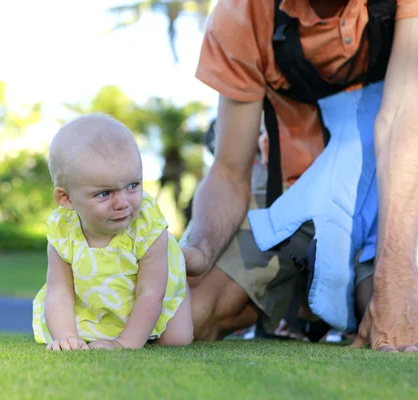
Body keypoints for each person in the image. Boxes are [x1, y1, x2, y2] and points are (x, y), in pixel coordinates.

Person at [182, 0, 418, 352]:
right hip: (292, 193)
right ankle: (303, 302)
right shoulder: (243, 12)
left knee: (393, 309)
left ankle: (331, 303)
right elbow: (229, 172)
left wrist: (394, 286)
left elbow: (403, 119)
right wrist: (198, 250)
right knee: (194, 314)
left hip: (398, 179)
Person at [32, 113, 193, 351]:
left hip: (155, 288)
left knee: (176, 340)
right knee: (82, 334)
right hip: (94, 296)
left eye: (132, 186)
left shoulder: (148, 227)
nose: (123, 203)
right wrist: (66, 337)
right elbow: (59, 292)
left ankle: (181, 294)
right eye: (104, 193)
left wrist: (123, 343)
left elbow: (150, 294)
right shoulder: (62, 231)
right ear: (66, 198)